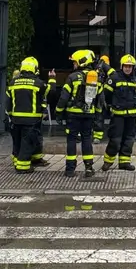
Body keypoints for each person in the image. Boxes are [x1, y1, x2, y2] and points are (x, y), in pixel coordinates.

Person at [55, 49, 104, 178]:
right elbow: (100, 100)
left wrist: (59, 113)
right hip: (89, 114)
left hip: (73, 115)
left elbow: (63, 98)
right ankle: (88, 168)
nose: (74, 65)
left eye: (75, 62)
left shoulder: (72, 77)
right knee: (86, 139)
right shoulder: (95, 77)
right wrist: (98, 116)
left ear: (82, 62)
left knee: (71, 140)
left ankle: (70, 169)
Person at [7, 57, 56, 174]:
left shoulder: (13, 82)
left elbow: (8, 102)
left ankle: (21, 160)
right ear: (34, 68)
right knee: (27, 142)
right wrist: (52, 79)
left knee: (18, 141)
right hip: (31, 120)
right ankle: (22, 167)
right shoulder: (38, 83)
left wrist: (10, 115)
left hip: (16, 120)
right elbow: (52, 93)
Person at [102, 54, 136, 171]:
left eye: (130, 66)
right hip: (118, 115)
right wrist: (110, 107)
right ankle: (108, 162)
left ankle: (124, 162)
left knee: (129, 139)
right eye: (126, 66)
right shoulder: (114, 78)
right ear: (121, 66)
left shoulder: (135, 80)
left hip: (132, 116)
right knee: (115, 140)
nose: (128, 68)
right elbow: (106, 95)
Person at [93, 55, 115, 143]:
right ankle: (97, 136)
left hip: (110, 97)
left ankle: (112, 134)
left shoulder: (110, 72)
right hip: (100, 97)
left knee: (113, 116)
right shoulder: (97, 71)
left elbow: (114, 76)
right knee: (99, 115)